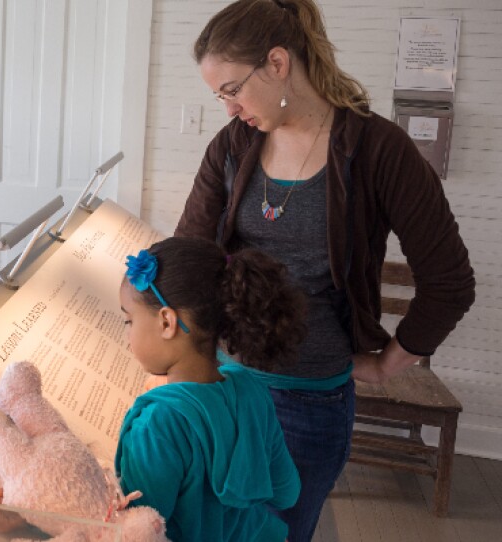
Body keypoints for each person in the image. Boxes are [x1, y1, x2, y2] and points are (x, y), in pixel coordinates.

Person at [176, 0, 476, 539]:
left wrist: (386, 365)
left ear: (276, 63)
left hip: (308, 406)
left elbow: (450, 281)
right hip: (220, 386)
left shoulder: (380, 151)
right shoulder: (234, 144)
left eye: (232, 90)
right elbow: (189, 254)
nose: (227, 108)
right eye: (218, 95)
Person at [115, 237, 305, 541]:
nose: (127, 332)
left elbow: (139, 531)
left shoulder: (156, 424)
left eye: (128, 320)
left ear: (167, 322)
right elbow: (287, 493)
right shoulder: (251, 389)